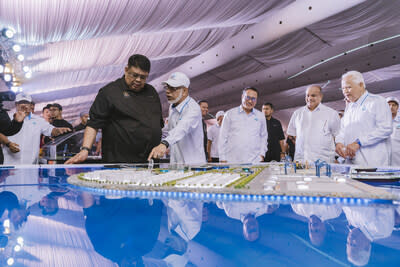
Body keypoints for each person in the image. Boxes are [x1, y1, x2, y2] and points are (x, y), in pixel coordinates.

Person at [66, 54, 163, 164]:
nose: (138, 80)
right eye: (134, 75)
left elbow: (157, 124)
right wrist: (85, 150)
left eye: (143, 77)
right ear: (126, 70)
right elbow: (93, 124)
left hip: (150, 162)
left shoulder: (151, 92)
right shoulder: (109, 92)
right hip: (120, 163)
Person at [335, 71, 392, 166]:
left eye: (348, 87)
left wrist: (359, 142)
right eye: (343, 88)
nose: (345, 91)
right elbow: (343, 130)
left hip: (373, 163)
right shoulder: (349, 107)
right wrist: (339, 142)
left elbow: (385, 128)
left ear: (361, 85)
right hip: (352, 163)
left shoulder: (377, 101)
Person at [148, 72, 205, 164]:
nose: (167, 91)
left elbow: (182, 128)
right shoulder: (172, 106)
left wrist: (164, 144)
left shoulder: (193, 109)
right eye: (167, 87)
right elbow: (170, 128)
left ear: (185, 91)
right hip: (176, 162)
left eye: (173, 88)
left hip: (192, 164)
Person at [1, 93, 71, 164]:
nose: (23, 105)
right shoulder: (7, 118)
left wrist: (58, 130)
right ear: (16, 104)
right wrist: (8, 144)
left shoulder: (39, 120)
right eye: (20, 103)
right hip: (9, 163)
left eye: (26, 103)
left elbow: (51, 130)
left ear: (31, 105)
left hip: (31, 164)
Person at [287, 85, 340, 163]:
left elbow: (338, 136)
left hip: (324, 161)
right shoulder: (297, 113)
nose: (309, 98)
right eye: (307, 95)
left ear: (321, 96)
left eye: (313, 95)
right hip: (301, 161)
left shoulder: (331, 113)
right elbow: (292, 134)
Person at [218, 87, 268, 163]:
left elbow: (264, 136)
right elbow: (222, 137)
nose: (250, 101)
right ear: (242, 97)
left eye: (253, 99)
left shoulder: (260, 116)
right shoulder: (229, 114)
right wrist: (222, 158)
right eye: (248, 97)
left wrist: (262, 154)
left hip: (254, 161)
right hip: (232, 160)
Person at [387, 97, 400, 166]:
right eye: (389, 105)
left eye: (394, 105)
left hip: (398, 157)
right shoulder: (381, 121)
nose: (391, 107)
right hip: (385, 156)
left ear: (397, 107)